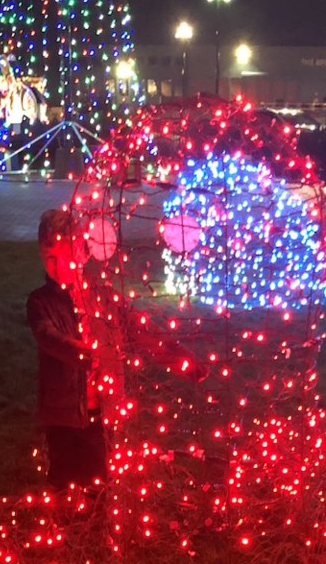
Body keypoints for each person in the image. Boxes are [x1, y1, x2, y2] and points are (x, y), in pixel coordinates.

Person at [27, 209, 205, 489]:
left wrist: (183, 360)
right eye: (50, 258)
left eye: (66, 255)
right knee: (64, 483)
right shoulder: (40, 302)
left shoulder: (103, 298)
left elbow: (142, 332)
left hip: (103, 414)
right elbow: (47, 336)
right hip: (63, 416)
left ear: (83, 253)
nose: (59, 266)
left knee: (100, 483)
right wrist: (81, 352)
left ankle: (97, 526)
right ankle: (65, 526)